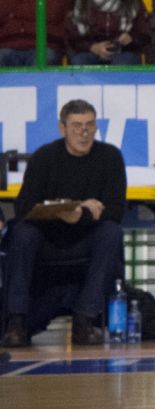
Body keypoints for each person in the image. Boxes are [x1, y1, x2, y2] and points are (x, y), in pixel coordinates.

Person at [0, 98, 129, 349]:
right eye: (77, 125)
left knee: (112, 233)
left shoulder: (110, 157)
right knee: (22, 233)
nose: (84, 132)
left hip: (86, 240)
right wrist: (72, 208)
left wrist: (84, 216)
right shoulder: (44, 157)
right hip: (47, 240)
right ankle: (16, 322)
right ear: (63, 128)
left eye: (90, 125)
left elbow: (115, 211)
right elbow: (24, 208)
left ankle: (85, 320)